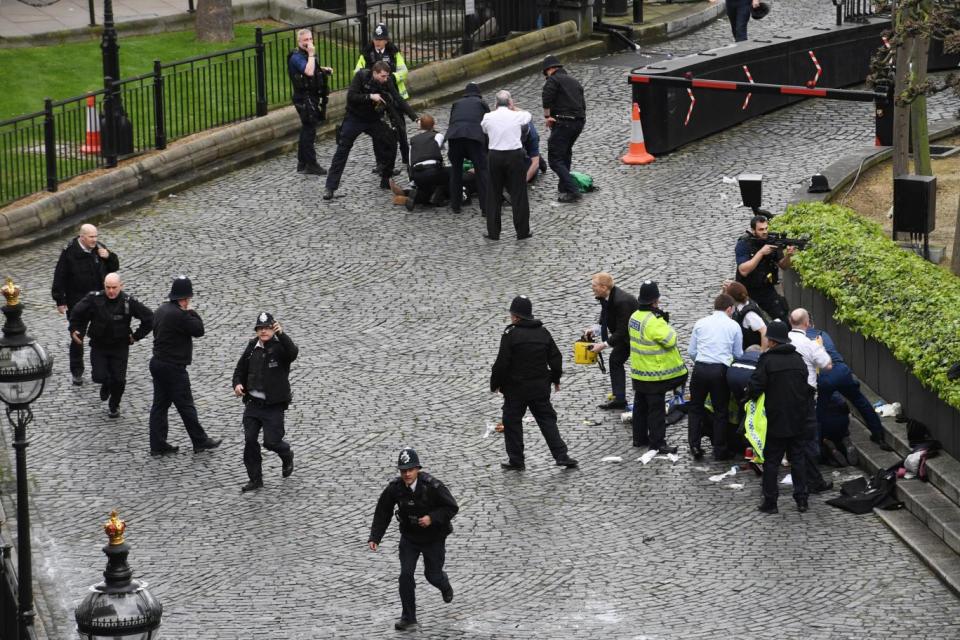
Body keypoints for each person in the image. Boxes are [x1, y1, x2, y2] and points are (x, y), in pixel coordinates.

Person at [369, 448, 458, 632]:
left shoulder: (432, 486)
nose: (407, 474)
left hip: (434, 538)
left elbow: (451, 507)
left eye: (410, 470)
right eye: (403, 470)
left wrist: (432, 518)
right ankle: (408, 618)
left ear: (417, 469)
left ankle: (444, 584)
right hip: (409, 538)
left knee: (432, 575)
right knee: (405, 575)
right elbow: (383, 510)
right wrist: (375, 537)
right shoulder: (396, 488)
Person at [490, 296, 578, 470]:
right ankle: (561, 455)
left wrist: (496, 384)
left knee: (512, 421)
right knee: (547, 420)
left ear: (515, 316)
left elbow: (502, 363)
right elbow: (555, 357)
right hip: (539, 387)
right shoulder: (543, 332)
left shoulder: (511, 334)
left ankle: (516, 461)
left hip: (516, 389)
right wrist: (555, 378)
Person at [794, 309, 894, 451]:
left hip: (823, 376)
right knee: (860, 401)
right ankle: (878, 435)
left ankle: (817, 448)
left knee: (818, 414)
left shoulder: (799, 341)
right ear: (812, 323)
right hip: (841, 371)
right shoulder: (822, 334)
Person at [148, 276, 221, 456]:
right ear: (185, 298)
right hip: (173, 367)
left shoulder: (161, 310)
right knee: (186, 405)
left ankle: (157, 444)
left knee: (160, 405)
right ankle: (199, 440)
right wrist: (191, 312)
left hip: (157, 363)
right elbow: (199, 330)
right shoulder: (180, 315)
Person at [323, 61, 417, 200]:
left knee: (391, 141)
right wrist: (370, 96)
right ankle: (330, 187)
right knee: (342, 150)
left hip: (373, 119)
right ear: (374, 73)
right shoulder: (361, 77)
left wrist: (415, 118)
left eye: (387, 76)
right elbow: (351, 96)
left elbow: (398, 99)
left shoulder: (387, 81)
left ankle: (386, 178)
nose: (385, 79)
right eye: (383, 76)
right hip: (354, 118)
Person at [746, 319, 812, 513]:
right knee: (798, 458)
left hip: (776, 419)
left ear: (773, 341)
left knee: (772, 461)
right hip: (798, 418)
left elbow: (756, 387)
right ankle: (802, 500)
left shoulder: (767, 361)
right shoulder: (798, 359)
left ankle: (771, 502)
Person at [68, 273, 152, 418]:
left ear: (121, 286)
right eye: (108, 287)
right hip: (99, 346)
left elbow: (150, 318)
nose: (111, 291)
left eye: (114, 287)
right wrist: (74, 329)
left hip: (120, 347)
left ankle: (114, 405)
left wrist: (136, 336)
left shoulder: (128, 302)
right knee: (98, 376)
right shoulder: (94, 299)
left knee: (119, 380)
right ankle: (106, 384)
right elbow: (77, 312)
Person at [232, 312, 298, 493]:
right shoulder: (252, 347)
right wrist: (237, 384)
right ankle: (255, 479)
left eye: (267, 328)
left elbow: (293, 353)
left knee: (272, 442)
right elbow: (239, 369)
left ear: (273, 329)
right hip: (253, 404)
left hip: (273, 406)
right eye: (260, 329)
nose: (263, 331)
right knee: (250, 440)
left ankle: (287, 454)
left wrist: (282, 334)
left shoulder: (280, 347)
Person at [51, 223, 120, 385]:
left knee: (105, 333)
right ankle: (77, 371)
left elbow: (114, 267)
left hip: (100, 302)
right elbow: (59, 277)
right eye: (91, 237)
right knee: (77, 336)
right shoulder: (69, 253)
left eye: (96, 236)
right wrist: (59, 300)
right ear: (82, 237)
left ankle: (105, 367)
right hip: (78, 303)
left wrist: (109, 256)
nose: (94, 240)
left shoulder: (99, 249)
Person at [628, 281, 688, 454]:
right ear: (656, 300)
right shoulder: (654, 321)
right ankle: (658, 443)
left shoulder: (634, 317)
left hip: (638, 372)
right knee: (656, 410)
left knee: (640, 406)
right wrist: (665, 323)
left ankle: (639, 438)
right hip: (654, 375)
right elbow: (671, 341)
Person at [687, 293, 743, 460]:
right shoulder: (733, 326)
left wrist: (702, 361)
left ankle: (695, 446)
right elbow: (738, 354)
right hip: (720, 371)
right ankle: (720, 448)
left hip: (700, 369)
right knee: (721, 410)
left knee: (695, 408)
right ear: (729, 309)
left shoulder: (700, 323)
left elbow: (691, 351)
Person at [785, 310, 834, 493]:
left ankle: (796, 473)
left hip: (785, 397)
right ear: (807, 324)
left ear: (790, 322)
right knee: (809, 440)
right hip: (805, 398)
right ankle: (814, 481)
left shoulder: (783, 340)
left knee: (789, 438)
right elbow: (827, 365)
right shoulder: (810, 344)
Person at [355, 23, 411, 166]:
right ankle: (380, 162)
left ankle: (406, 158)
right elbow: (357, 73)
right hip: (376, 98)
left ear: (386, 40)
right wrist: (371, 81)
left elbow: (403, 70)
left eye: (380, 39)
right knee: (377, 131)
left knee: (400, 127)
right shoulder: (366, 53)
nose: (377, 42)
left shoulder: (393, 52)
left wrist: (391, 78)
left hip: (394, 96)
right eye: (375, 39)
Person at [481, 90, 532, 241]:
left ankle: (493, 232)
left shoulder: (488, 116)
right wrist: (513, 108)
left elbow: (484, 129)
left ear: (495, 104)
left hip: (495, 155)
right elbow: (528, 115)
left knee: (493, 194)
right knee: (519, 194)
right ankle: (522, 232)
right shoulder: (517, 115)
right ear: (510, 103)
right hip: (514, 155)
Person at [586, 272, 637, 411]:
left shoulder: (622, 301)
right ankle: (619, 399)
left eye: (594, 285)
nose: (592, 288)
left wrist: (602, 345)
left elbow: (622, 331)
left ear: (603, 287)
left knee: (643, 367)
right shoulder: (606, 297)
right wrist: (595, 329)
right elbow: (605, 317)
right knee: (615, 360)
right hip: (626, 338)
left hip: (638, 340)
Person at [541, 55, 586, 203]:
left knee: (554, 159)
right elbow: (582, 105)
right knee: (565, 153)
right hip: (578, 123)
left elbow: (547, 96)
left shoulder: (553, 80)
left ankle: (573, 190)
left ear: (550, 69)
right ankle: (564, 187)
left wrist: (548, 116)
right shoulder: (574, 81)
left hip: (563, 122)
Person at [288, 28, 333, 176]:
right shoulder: (297, 57)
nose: (309, 43)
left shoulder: (307, 55)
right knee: (309, 130)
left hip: (311, 96)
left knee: (306, 128)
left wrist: (323, 69)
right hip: (304, 98)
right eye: (305, 40)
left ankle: (302, 162)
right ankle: (311, 164)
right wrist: (312, 54)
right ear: (299, 42)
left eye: (310, 39)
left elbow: (313, 70)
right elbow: (307, 71)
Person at [734, 215, 796, 322]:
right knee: (747, 320)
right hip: (746, 290)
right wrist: (761, 253)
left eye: (766, 228)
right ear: (753, 230)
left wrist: (789, 256)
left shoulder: (772, 241)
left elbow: (783, 266)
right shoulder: (744, 244)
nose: (765, 232)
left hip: (765, 288)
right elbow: (743, 270)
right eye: (761, 229)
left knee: (782, 315)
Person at [446, 82, 490, 215]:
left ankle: (455, 205)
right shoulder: (482, 103)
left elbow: (452, 122)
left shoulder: (456, 103)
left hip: (455, 137)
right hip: (474, 138)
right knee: (482, 171)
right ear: (478, 93)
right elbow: (488, 125)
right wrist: (487, 149)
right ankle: (486, 208)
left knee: (456, 171)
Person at [403, 114, 450, 212]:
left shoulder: (413, 140)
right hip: (433, 171)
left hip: (417, 174)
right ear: (434, 125)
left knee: (425, 185)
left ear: (420, 127)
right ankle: (438, 195)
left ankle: (415, 193)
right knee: (451, 172)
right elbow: (442, 150)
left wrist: (412, 180)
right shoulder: (437, 135)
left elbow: (410, 161)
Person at [724, 281, 767, 350]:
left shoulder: (749, 315)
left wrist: (762, 352)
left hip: (753, 350)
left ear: (732, 299)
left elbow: (764, 331)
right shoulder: (744, 302)